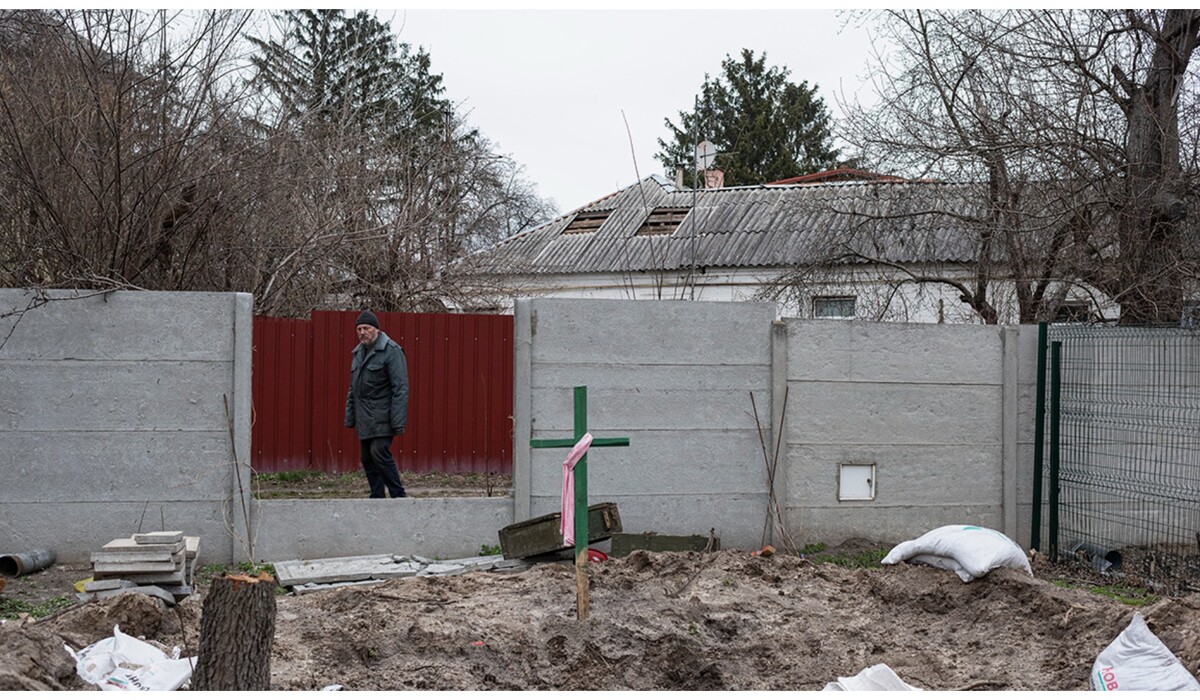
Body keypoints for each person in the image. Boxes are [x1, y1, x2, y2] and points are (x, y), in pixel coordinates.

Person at [344, 310, 409, 498]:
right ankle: (377, 497)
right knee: (367, 457)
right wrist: (350, 417)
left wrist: (397, 421)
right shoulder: (358, 353)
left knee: (379, 451)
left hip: (383, 416)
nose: (362, 332)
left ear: (376, 329)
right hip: (365, 417)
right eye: (359, 329)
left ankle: (399, 496)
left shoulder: (391, 351)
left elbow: (401, 388)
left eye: (366, 328)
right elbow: (353, 388)